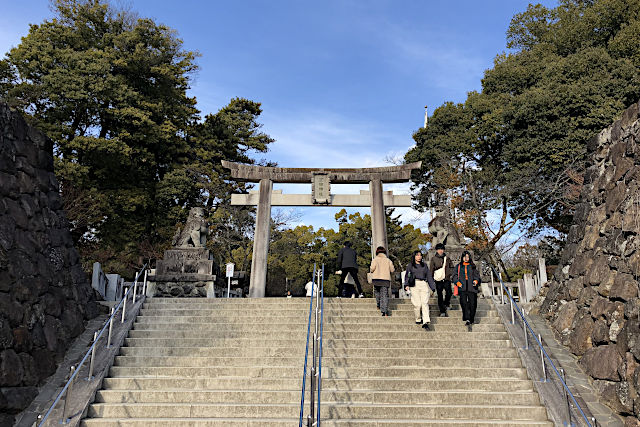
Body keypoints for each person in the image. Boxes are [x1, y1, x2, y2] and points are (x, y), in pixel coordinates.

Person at [404, 250, 436, 331]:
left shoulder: (424, 265)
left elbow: (429, 276)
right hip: (414, 285)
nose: (419, 257)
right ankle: (418, 318)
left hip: (423, 284)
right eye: (417, 255)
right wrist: (406, 285)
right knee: (417, 304)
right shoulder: (410, 266)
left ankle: (426, 321)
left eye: (420, 255)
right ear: (414, 256)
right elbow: (407, 275)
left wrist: (432, 286)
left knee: (424, 303)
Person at [451, 250, 481, 332]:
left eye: (468, 257)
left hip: (472, 287)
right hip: (462, 287)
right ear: (462, 257)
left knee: (473, 304)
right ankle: (467, 319)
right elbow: (454, 276)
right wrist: (457, 282)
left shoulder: (473, 266)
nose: (466, 258)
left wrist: (476, 281)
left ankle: (471, 318)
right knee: (463, 303)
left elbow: (477, 275)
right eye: (465, 257)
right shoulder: (458, 266)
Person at [429, 243, 454, 317]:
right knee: (440, 295)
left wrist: (450, 274)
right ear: (437, 250)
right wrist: (431, 280)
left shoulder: (447, 258)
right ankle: (442, 310)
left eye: (442, 249)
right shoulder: (433, 259)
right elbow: (431, 269)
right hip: (438, 279)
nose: (440, 251)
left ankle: (446, 303)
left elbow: (452, 267)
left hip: (446, 278)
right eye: (439, 249)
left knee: (449, 292)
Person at [369, 246, 395, 316]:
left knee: (377, 293)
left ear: (377, 252)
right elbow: (392, 270)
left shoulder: (375, 260)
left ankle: (379, 305)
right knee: (384, 295)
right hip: (385, 279)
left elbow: (371, 269)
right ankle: (385, 311)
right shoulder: (388, 260)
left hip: (376, 279)